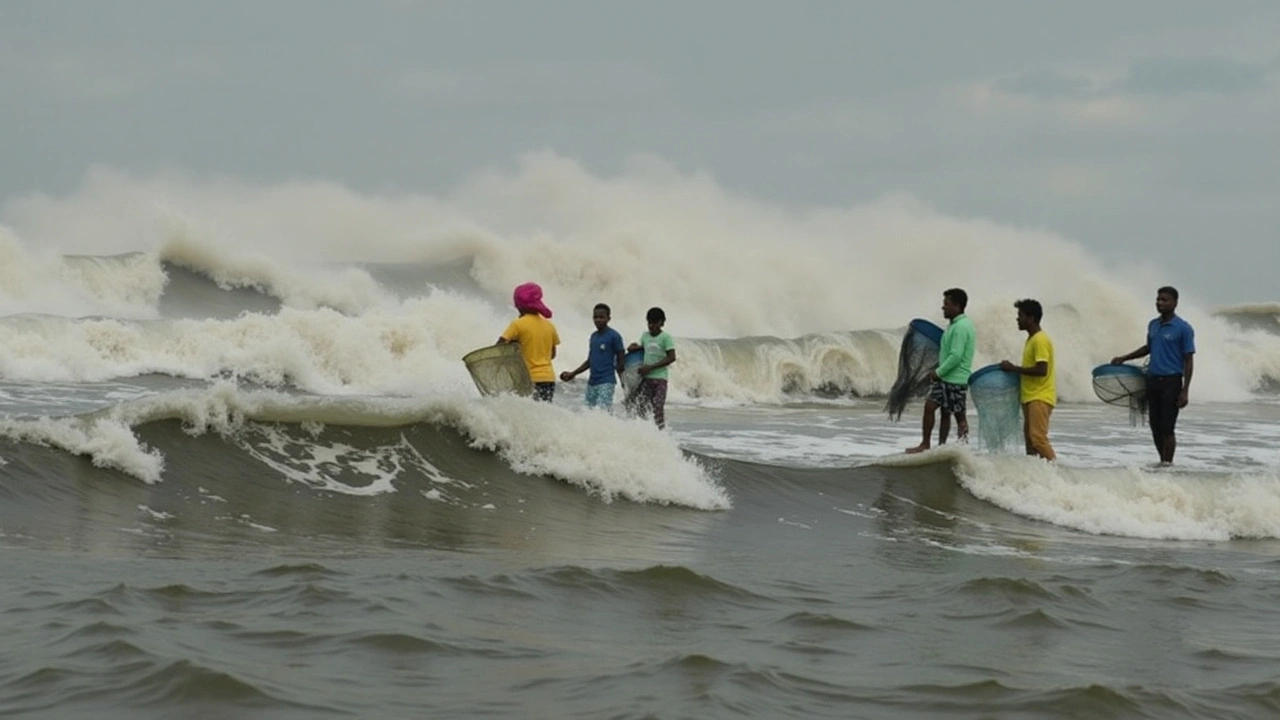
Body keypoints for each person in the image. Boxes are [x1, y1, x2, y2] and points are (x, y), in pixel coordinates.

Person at [1111, 286, 1195, 465]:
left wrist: (1185, 390)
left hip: (1172, 382)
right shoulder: (1153, 325)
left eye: (1165, 300)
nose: (1160, 303)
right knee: (1155, 426)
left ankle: (1167, 464)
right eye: (1158, 299)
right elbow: (1148, 348)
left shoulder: (1183, 328)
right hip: (1152, 381)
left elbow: (1188, 360)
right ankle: (1162, 460)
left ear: (1175, 303)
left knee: (1167, 427)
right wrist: (1124, 358)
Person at [906, 288, 975, 453]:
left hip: (955, 379)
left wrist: (938, 372)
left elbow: (956, 356)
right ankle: (938, 446)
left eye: (946, 304)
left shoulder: (961, 327)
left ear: (957, 306)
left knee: (954, 414)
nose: (943, 307)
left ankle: (960, 449)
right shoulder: (955, 325)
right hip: (948, 377)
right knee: (942, 411)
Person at [1000, 299, 1056, 461]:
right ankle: (1038, 477)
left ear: (1031, 318)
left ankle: (1057, 475)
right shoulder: (1031, 339)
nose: (1017, 319)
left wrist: (1013, 368)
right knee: (1031, 444)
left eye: (1020, 315)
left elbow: (1041, 370)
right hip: (1030, 397)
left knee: (1038, 439)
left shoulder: (1040, 340)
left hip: (1040, 396)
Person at [496, 282, 560, 402]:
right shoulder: (549, 326)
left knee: (526, 414)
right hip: (548, 378)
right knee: (544, 413)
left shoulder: (518, 324)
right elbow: (552, 355)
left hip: (527, 378)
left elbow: (499, 347)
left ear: (519, 305)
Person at [560, 303, 627, 409]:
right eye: (595, 317)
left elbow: (621, 359)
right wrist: (573, 373)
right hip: (592, 382)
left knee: (603, 412)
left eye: (601, 317)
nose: (598, 320)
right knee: (589, 413)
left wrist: (624, 383)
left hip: (606, 382)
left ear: (608, 318)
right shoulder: (594, 337)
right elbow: (590, 361)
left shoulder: (614, 336)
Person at [627, 307, 676, 429]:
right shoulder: (645, 336)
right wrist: (634, 348)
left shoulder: (666, 338)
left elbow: (671, 357)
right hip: (646, 379)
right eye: (649, 322)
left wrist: (651, 367)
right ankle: (644, 432)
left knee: (657, 407)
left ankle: (661, 434)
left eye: (654, 323)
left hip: (660, 379)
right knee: (641, 407)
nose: (651, 326)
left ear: (662, 323)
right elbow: (645, 349)